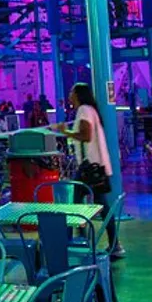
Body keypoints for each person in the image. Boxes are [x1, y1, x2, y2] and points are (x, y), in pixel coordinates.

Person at [54, 83, 125, 258]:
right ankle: (111, 243)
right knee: (100, 205)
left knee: (79, 203)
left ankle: (79, 242)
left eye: (71, 92)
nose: (69, 95)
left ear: (78, 94)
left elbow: (86, 136)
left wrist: (66, 132)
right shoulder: (91, 110)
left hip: (89, 167)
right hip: (95, 166)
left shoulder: (84, 110)